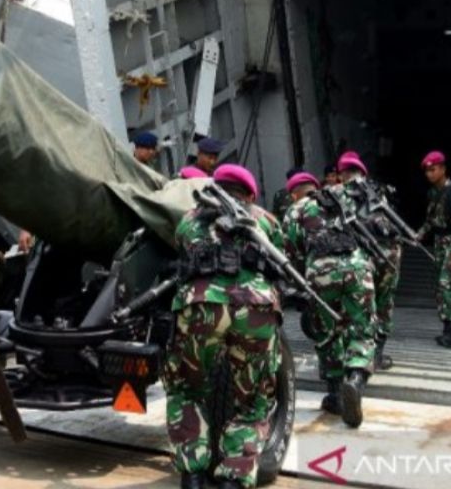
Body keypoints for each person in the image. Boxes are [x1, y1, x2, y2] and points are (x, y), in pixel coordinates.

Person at [163, 163, 283, 489]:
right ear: (249, 194)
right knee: (254, 397)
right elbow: (282, 261)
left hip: (200, 307)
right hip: (256, 309)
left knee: (187, 389)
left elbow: (181, 250)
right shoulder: (265, 220)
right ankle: (234, 477)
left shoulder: (190, 219)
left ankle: (193, 475)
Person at [282, 171, 375, 428]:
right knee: (362, 328)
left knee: (328, 332)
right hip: (357, 265)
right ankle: (355, 379)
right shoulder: (340, 197)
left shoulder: (295, 210)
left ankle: (336, 396)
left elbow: (291, 251)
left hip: (322, 270)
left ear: (293, 193)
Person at [337, 152, 401, 371]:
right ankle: (378, 354)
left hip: (361, 253)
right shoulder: (380, 190)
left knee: (361, 303)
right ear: (363, 172)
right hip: (390, 251)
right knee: (385, 301)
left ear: (341, 174)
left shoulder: (338, 194)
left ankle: (359, 354)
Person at [414, 151, 451, 348]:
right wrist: (420, 234)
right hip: (440, 242)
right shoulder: (433, 193)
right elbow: (431, 219)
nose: (429, 174)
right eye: (427, 171)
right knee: (444, 287)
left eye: (433, 170)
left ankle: (449, 332)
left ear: (443, 169)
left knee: (446, 284)